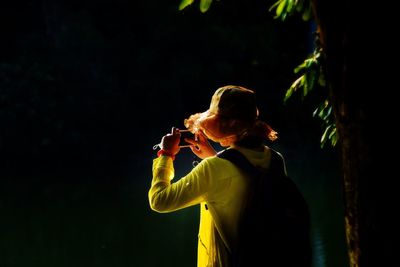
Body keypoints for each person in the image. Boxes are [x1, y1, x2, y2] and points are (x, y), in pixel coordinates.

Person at [148, 85, 288, 267]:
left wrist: (166, 154)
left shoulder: (213, 169)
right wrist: (214, 156)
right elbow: (236, 182)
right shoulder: (275, 159)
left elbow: (160, 201)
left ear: (221, 123)